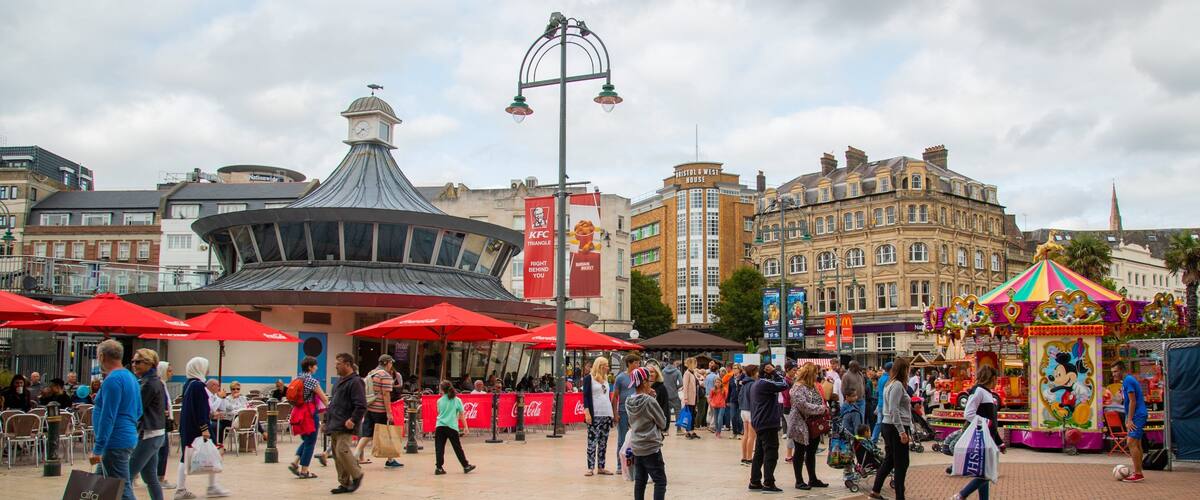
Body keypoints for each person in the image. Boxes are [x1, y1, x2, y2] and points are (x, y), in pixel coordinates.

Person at [89, 339, 141, 500]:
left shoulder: (113, 380)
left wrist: (98, 448)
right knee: (98, 486)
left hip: (114, 441)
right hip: (125, 436)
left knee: (121, 487)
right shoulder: (130, 377)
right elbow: (138, 410)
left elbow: (108, 416)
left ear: (102, 356)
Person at [175, 357, 229, 499]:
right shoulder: (198, 386)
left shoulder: (188, 384)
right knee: (213, 453)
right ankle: (207, 487)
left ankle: (183, 489)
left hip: (188, 425)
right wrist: (205, 428)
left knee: (186, 456)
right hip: (197, 427)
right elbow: (200, 409)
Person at [954, 365, 1005, 500]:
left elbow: (992, 423)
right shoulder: (978, 391)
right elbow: (968, 413)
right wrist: (985, 422)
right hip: (982, 439)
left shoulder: (987, 393)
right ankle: (961, 495)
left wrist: (999, 442)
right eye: (996, 379)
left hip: (988, 438)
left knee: (983, 473)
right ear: (992, 378)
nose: (997, 382)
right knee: (986, 473)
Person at [870, 357, 913, 500]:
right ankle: (899, 496)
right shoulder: (897, 385)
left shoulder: (891, 384)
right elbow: (894, 409)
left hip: (889, 425)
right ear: (904, 370)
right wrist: (901, 431)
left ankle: (876, 490)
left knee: (890, 460)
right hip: (894, 426)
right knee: (901, 462)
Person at [129, 349, 167, 500]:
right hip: (156, 433)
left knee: (127, 476)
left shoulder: (148, 384)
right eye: (133, 361)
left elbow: (136, 409)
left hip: (149, 434)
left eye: (138, 362)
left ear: (150, 363)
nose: (134, 365)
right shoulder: (154, 381)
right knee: (150, 478)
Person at [327, 353, 367, 494]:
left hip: (346, 423)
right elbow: (333, 403)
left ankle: (357, 475)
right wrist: (326, 421)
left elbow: (361, 405)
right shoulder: (339, 382)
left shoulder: (356, 382)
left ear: (348, 364)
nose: (336, 366)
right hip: (335, 423)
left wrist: (353, 420)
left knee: (341, 450)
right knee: (337, 455)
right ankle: (344, 483)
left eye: (338, 363)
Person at [627, 367, 668, 500]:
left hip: (636, 446)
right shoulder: (649, 401)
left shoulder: (628, 401)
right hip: (651, 446)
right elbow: (662, 422)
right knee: (660, 481)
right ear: (645, 382)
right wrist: (653, 398)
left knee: (640, 480)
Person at [748, 362, 789, 493]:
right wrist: (774, 372)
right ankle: (768, 482)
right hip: (767, 423)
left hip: (760, 422)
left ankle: (755, 481)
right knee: (771, 452)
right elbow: (784, 384)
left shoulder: (756, 384)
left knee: (759, 453)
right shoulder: (765, 383)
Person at [354, 355, 401, 469]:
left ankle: (355, 456)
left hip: (369, 407)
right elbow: (386, 394)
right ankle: (390, 460)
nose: (391, 366)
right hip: (380, 409)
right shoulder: (385, 375)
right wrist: (389, 412)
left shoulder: (371, 373)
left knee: (367, 434)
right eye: (391, 363)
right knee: (387, 433)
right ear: (387, 363)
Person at [788, 364, 830, 490]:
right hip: (800, 424)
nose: (817, 375)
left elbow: (819, 400)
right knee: (799, 452)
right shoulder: (798, 387)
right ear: (809, 373)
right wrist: (821, 409)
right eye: (815, 373)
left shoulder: (812, 386)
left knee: (811, 452)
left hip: (813, 424)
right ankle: (799, 481)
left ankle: (813, 479)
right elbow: (802, 405)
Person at [288, 356, 328, 480]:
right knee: (311, 442)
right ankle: (304, 470)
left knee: (306, 440)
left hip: (298, 412)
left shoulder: (298, 378)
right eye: (315, 365)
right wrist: (331, 409)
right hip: (309, 413)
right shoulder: (312, 381)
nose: (316, 367)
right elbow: (324, 398)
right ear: (310, 367)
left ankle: (295, 462)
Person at [1113, 361, 1148, 483]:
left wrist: (1129, 419)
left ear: (1122, 370)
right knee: (1137, 443)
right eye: (1112, 372)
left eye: (1116, 371)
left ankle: (1138, 473)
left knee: (1131, 442)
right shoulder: (1126, 381)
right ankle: (1138, 471)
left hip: (1138, 415)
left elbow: (1133, 401)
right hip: (1138, 414)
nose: (1114, 374)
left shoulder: (1128, 380)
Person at [433, 380, 476, 476]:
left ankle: (439, 468)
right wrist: (465, 427)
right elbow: (461, 415)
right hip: (452, 426)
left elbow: (439, 412)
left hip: (440, 426)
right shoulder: (457, 400)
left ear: (442, 390)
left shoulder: (439, 401)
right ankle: (465, 465)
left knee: (439, 448)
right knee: (457, 448)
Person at [582, 356, 615, 476]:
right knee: (592, 441)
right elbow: (585, 396)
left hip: (606, 413)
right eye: (606, 365)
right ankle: (590, 467)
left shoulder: (606, 379)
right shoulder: (588, 379)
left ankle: (601, 467)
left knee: (603, 441)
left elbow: (607, 397)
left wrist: (612, 414)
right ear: (600, 366)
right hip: (594, 414)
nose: (608, 367)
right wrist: (587, 412)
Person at [612, 353, 642, 472]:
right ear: (629, 363)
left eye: (638, 363)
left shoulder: (639, 376)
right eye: (636, 363)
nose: (638, 365)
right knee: (622, 438)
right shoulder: (620, 377)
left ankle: (633, 464)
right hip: (623, 411)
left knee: (636, 438)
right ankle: (620, 465)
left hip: (636, 411)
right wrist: (615, 413)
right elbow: (615, 397)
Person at [157, 362, 176, 490]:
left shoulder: (163, 385)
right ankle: (159, 478)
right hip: (158, 423)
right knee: (162, 451)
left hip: (162, 423)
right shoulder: (159, 385)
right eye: (169, 371)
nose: (171, 373)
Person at [738, 364, 759, 465]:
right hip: (751, 411)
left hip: (743, 410)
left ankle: (744, 457)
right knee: (752, 436)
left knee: (745, 435)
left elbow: (740, 397)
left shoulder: (744, 383)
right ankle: (749, 458)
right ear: (753, 372)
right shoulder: (753, 384)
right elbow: (754, 399)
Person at [871, 361, 892, 442]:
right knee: (886, 423)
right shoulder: (888, 379)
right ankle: (878, 439)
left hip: (880, 403)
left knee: (879, 423)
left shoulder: (881, 378)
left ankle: (874, 439)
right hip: (886, 404)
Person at [661, 359, 683, 434]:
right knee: (678, 412)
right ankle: (679, 430)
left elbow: (661, 381)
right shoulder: (677, 371)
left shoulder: (663, 371)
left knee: (666, 412)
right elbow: (681, 383)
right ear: (674, 363)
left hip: (665, 394)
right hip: (674, 394)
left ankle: (665, 430)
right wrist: (675, 387)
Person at [681, 357, 700, 439]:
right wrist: (685, 398)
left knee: (692, 414)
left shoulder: (693, 372)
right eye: (695, 363)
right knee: (689, 415)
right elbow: (685, 386)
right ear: (691, 364)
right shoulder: (687, 373)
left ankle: (691, 430)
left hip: (694, 397)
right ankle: (689, 431)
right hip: (689, 398)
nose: (696, 364)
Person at [724, 365, 744, 438]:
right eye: (733, 368)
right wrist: (727, 400)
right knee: (733, 416)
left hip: (741, 400)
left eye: (735, 368)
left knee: (739, 417)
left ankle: (739, 432)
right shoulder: (731, 378)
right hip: (733, 400)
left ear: (739, 369)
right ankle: (734, 432)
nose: (734, 370)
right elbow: (729, 390)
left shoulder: (744, 377)